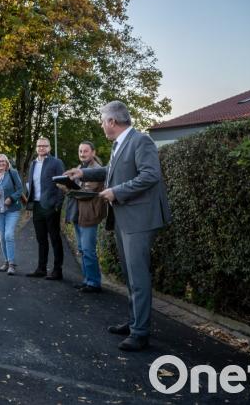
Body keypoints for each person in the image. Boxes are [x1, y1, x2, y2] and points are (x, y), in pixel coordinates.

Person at [64, 100, 171, 351]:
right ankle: (135, 322)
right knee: (130, 275)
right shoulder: (119, 145)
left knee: (138, 276)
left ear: (112, 121)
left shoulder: (140, 140)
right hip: (125, 219)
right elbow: (109, 171)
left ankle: (140, 332)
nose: (102, 125)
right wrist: (82, 174)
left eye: (103, 121)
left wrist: (116, 192)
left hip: (140, 220)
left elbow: (150, 175)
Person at [61, 141, 107, 293]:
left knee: (88, 250)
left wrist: (68, 188)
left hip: (89, 214)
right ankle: (87, 280)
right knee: (81, 249)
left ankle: (94, 282)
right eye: (80, 151)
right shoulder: (80, 168)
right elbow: (78, 190)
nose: (82, 154)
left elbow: (86, 193)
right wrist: (66, 184)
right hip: (78, 214)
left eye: (85, 151)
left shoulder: (96, 169)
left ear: (93, 153)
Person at [25, 137, 66, 280]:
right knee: (41, 239)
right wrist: (29, 205)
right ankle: (41, 268)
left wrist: (58, 205)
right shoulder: (33, 164)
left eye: (44, 146)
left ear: (49, 148)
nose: (41, 148)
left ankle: (57, 270)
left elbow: (62, 185)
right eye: (39, 146)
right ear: (36, 148)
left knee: (55, 239)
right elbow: (31, 185)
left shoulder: (56, 162)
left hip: (51, 207)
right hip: (37, 206)